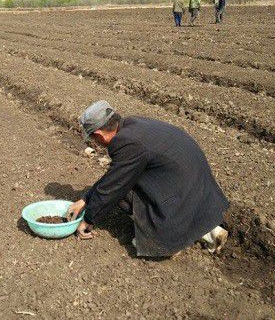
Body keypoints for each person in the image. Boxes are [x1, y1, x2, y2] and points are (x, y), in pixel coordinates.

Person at [66, 100, 229, 258]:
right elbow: (114, 175)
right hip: (199, 190)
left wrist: (88, 219)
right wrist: (85, 200)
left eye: (93, 139)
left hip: (180, 192)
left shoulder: (126, 142)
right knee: (125, 179)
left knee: (123, 191)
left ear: (99, 134)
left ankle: (166, 238)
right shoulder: (133, 124)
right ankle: (211, 231)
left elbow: (113, 186)